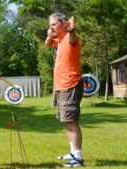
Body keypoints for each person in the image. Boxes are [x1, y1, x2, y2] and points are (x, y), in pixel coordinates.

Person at [45, 12, 84, 167]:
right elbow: (48, 44)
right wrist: (50, 34)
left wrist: (71, 30)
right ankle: (73, 152)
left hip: (70, 84)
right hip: (61, 86)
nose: (51, 27)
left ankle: (78, 158)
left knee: (72, 122)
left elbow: (73, 39)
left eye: (54, 24)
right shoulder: (59, 40)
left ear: (63, 23)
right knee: (67, 121)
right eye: (50, 25)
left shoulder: (70, 37)